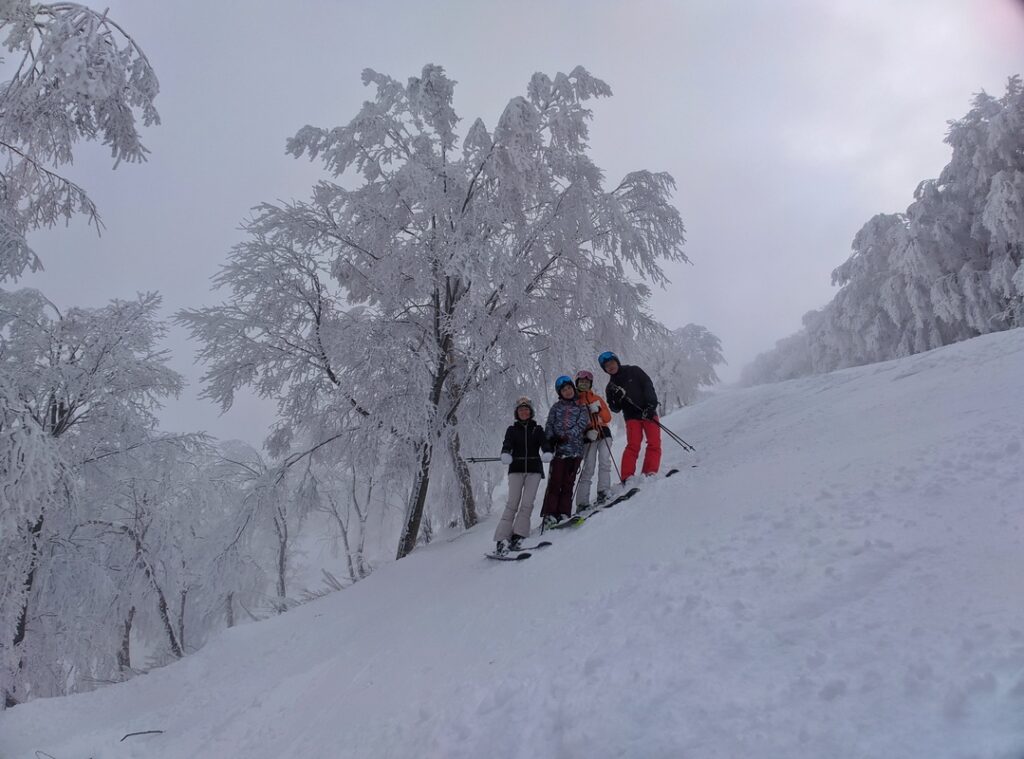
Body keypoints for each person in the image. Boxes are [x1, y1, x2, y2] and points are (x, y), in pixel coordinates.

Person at [494, 397, 553, 555]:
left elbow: (545, 443)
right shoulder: (511, 430)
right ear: (517, 413)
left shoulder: (537, 429)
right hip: (516, 470)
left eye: (526, 409)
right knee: (512, 503)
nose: (524, 412)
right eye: (520, 410)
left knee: (527, 503)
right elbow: (507, 443)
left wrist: (547, 452)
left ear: (531, 411)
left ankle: (519, 535)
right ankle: (502, 538)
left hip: (534, 470)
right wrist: (505, 453)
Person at [598, 350, 662, 483]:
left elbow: (648, 385)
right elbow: (615, 408)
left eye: (612, 363)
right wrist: (616, 399)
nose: (610, 366)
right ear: (605, 370)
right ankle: (627, 477)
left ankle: (649, 472)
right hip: (632, 417)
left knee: (654, 443)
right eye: (607, 366)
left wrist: (651, 406)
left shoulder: (634, 370)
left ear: (617, 362)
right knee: (633, 445)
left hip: (648, 412)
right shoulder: (610, 387)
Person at [540, 375, 590, 527]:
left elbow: (581, 425)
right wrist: (551, 439)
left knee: (568, 483)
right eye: (563, 390)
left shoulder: (581, 407)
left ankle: (564, 512)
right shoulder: (556, 407)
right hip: (559, 452)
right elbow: (549, 425)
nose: (567, 391)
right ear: (559, 393)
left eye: (569, 388)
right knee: (555, 482)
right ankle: (550, 514)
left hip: (575, 451)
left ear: (573, 389)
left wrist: (565, 436)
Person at [573, 369, 613, 510]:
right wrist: (586, 432)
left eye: (587, 382)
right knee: (588, 467)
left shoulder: (597, 398)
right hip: (588, 438)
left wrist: (598, 410)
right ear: (577, 383)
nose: (584, 384)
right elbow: (574, 424)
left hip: (603, 433)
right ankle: (582, 502)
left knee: (604, 461)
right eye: (581, 382)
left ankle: (603, 491)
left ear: (590, 384)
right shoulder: (575, 402)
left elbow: (608, 417)